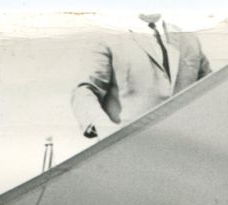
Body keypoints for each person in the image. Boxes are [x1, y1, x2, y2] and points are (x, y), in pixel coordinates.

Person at [71, 13, 211, 139]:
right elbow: (84, 90)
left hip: (183, 151)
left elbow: (211, 91)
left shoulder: (188, 38)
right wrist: (105, 129)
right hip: (128, 151)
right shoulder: (106, 35)